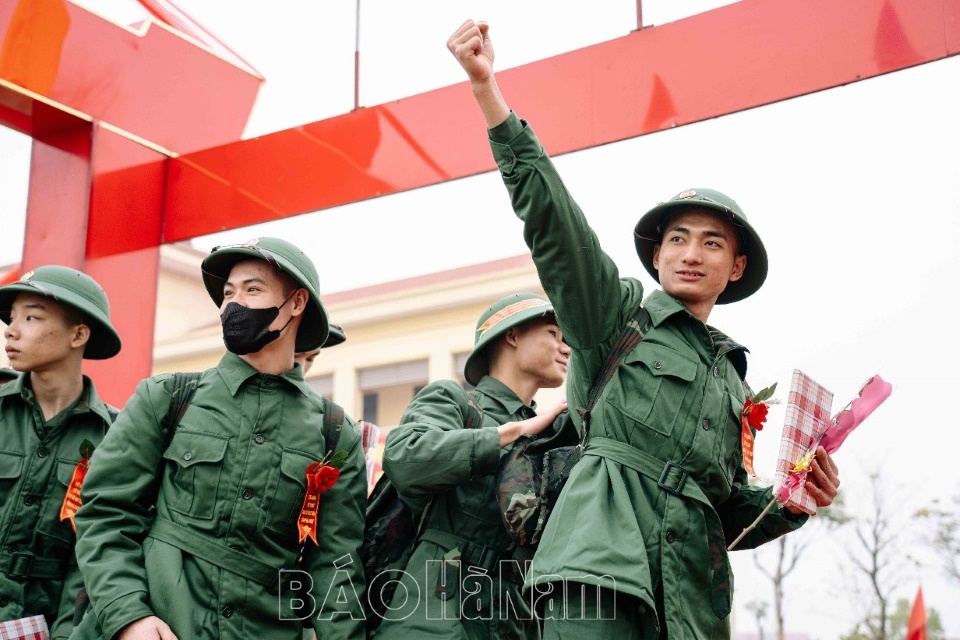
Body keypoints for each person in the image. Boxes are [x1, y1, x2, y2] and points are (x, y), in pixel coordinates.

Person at [447, 21, 842, 639]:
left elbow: (725, 509)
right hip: (595, 574)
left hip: (688, 603)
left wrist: (794, 498)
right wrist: (486, 91)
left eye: (712, 243)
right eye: (677, 239)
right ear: (656, 256)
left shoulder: (733, 385)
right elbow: (556, 224)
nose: (691, 254)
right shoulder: (614, 316)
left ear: (736, 267)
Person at [71, 238, 367, 640]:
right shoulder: (167, 397)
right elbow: (105, 513)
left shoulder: (334, 432)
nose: (233, 305)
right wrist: (128, 616)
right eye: (228, 293)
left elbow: (336, 565)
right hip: (158, 627)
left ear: (297, 303)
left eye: (252, 289)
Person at [375, 292, 570, 639]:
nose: (566, 349)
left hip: (511, 614)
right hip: (434, 606)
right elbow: (405, 458)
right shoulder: (456, 401)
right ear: (512, 336)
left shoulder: (548, 434)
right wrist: (508, 434)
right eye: (554, 334)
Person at [0, 266, 122, 639]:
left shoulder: (114, 436)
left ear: (78, 335)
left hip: (49, 625)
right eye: (12, 317)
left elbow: (97, 553)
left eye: (32, 317)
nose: (11, 330)